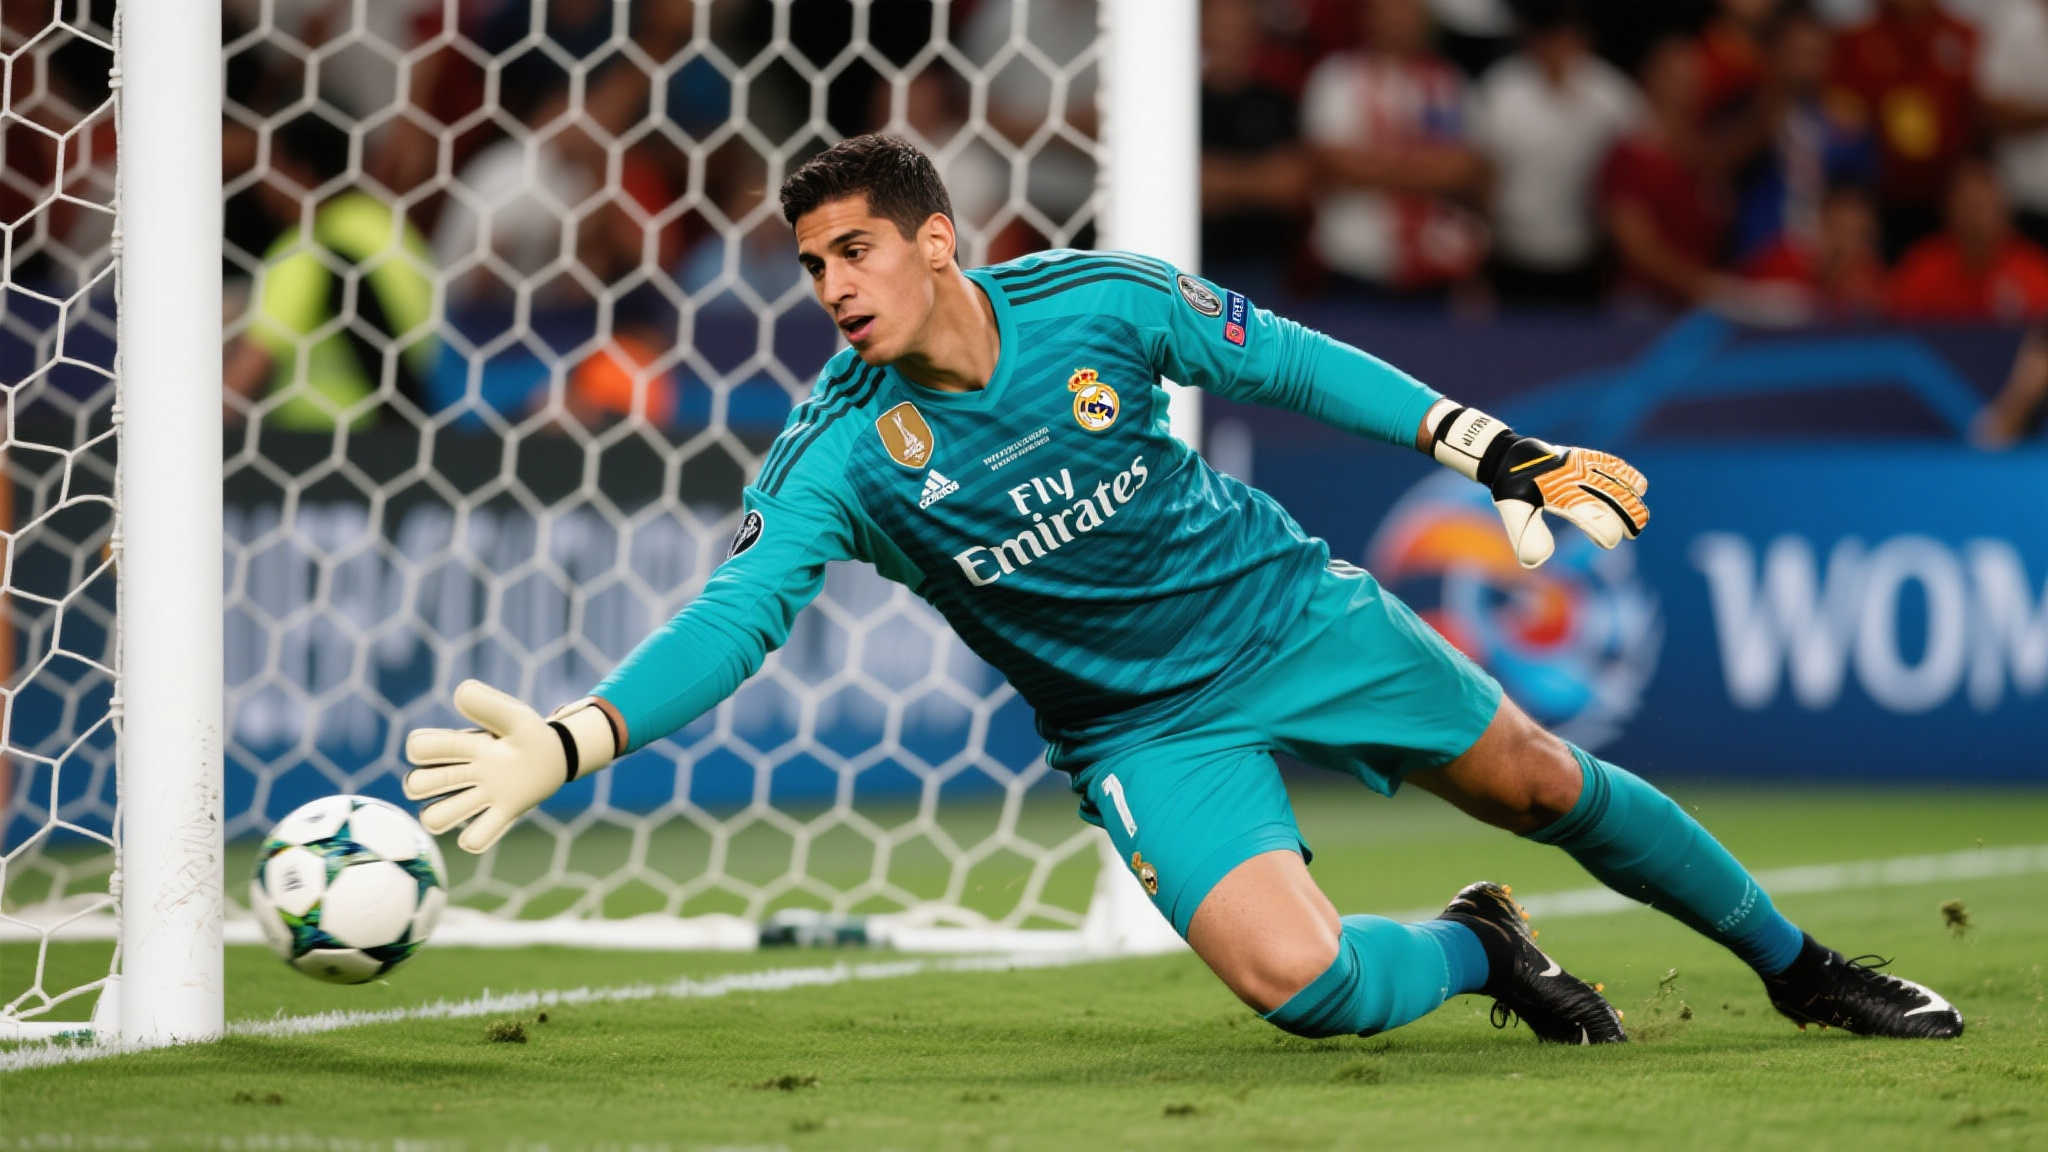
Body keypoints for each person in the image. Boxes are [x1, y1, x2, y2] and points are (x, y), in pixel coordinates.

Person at [402, 134, 1964, 1045]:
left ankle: (1801, 972)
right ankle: (1483, 947)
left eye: (856, 251)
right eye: (812, 266)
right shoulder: (839, 452)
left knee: (1543, 777)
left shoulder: (1101, 303)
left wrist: (1487, 447)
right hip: (1140, 728)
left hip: (1284, 610)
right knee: (1305, 988)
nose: (833, 289)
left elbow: (1287, 363)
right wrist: (573, 739)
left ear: (937, 241)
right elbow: (736, 620)